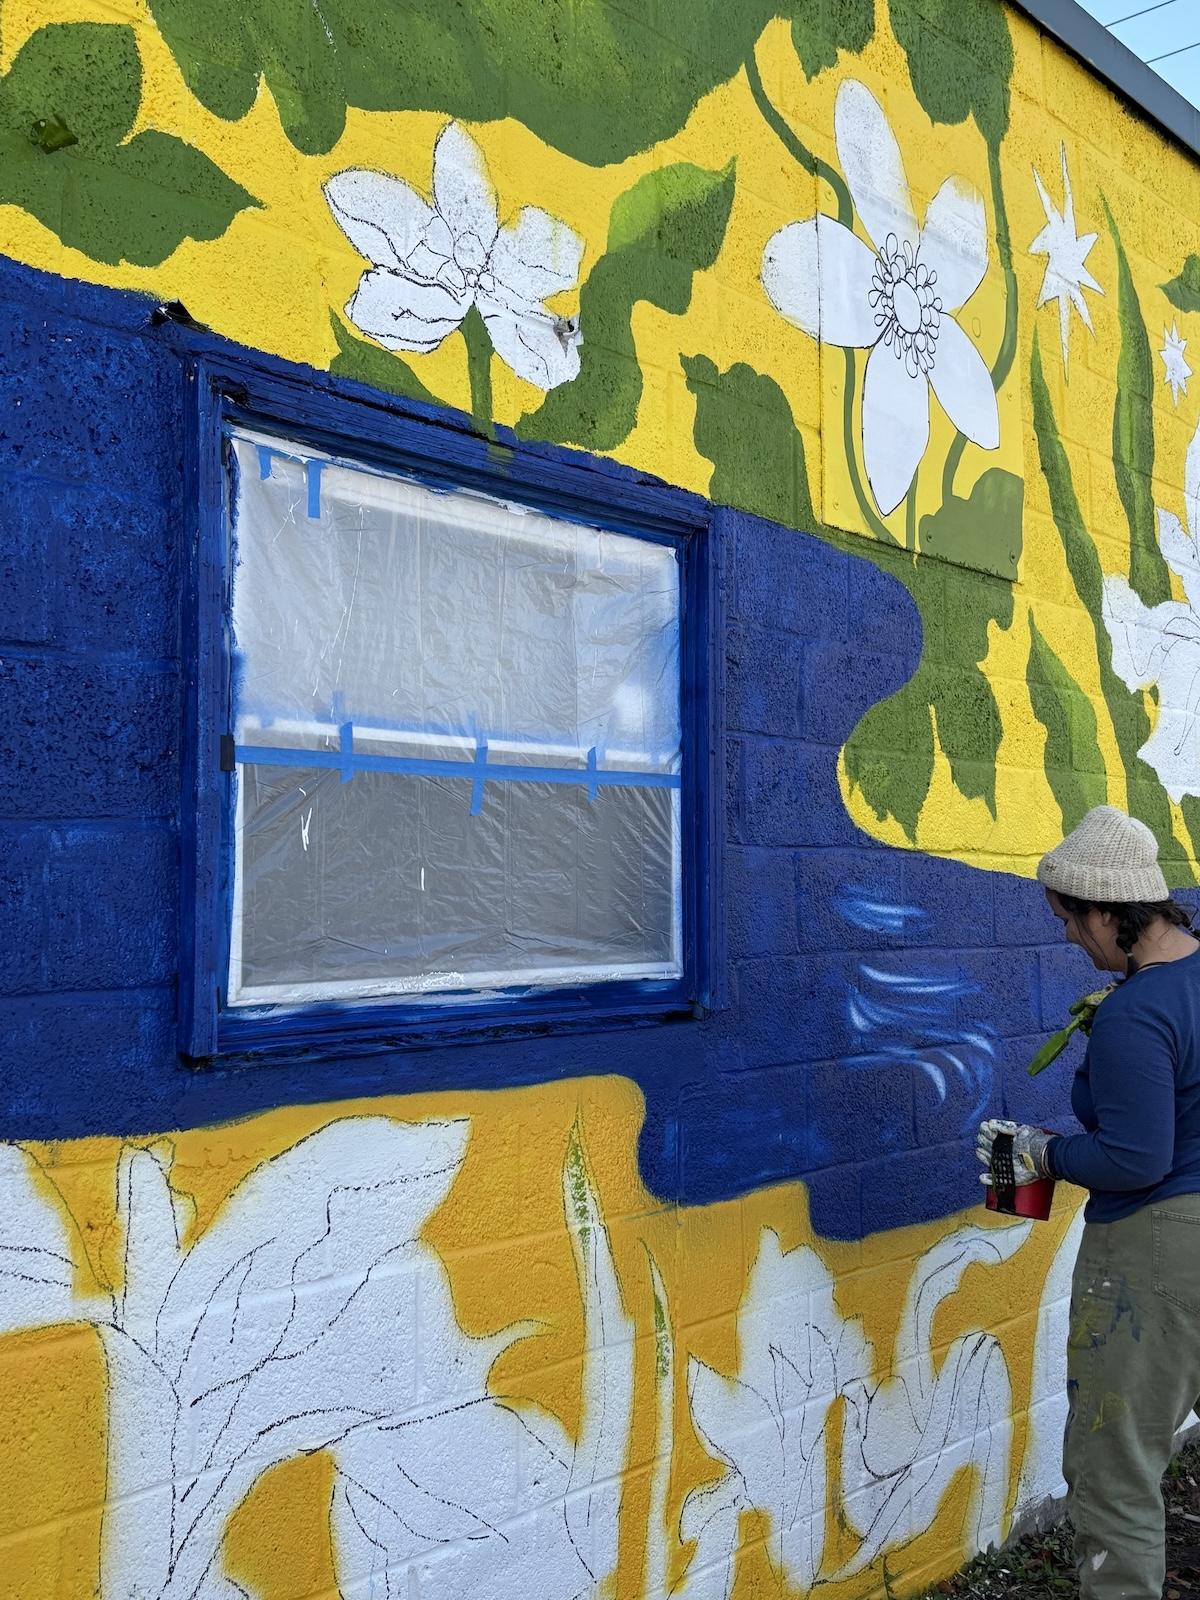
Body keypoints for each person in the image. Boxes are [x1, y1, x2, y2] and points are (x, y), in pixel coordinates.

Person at [976, 805, 1200, 1600]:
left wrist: (1042, 1153)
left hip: (1157, 1246)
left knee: (1114, 1471)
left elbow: (1137, 1159)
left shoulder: (1139, 1012)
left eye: (1069, 919)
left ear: (1107, 910)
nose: (1069, 937)